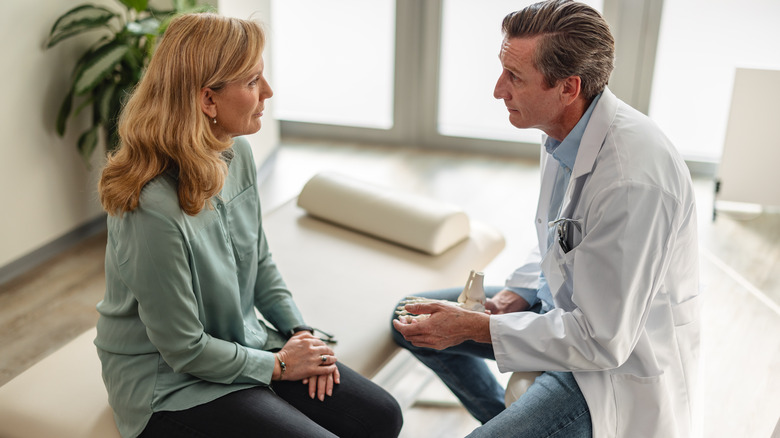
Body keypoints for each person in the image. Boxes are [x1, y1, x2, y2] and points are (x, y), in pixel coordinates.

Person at [392, 1, 701, 437]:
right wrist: (516, 293)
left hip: (603, 367)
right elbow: (557, 236)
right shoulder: (564, 131)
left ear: (568, 88)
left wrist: (480, 326)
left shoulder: (632, 181)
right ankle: (510, 425)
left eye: (515, 77)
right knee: (408, 320)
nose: (499, 90)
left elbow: (602, 340)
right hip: (559, 311)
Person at [95, 13, 402, 438]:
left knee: (382, 415)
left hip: (244, 345)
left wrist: (299, 333)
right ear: (208, 100)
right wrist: (278, 366)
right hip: (171, 386)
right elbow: (183, 349)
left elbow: (260, 260)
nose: (269, 92)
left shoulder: (236, 154)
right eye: (254, 81)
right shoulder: (150, 206)